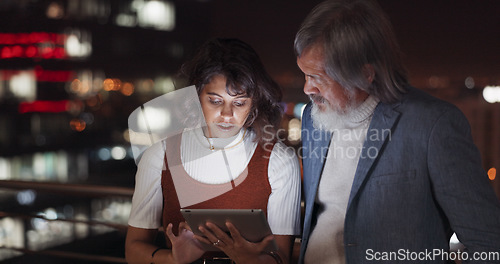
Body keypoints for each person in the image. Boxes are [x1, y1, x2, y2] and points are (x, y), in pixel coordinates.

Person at [295, 0, 500, 263]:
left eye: (319, 78)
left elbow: (488, 242)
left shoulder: (434, 125)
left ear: (365, 73)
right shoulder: (314, 118)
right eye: (304, 74)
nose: (307, 89)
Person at [125, 38, 301, 264]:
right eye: (215, 101)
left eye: (239, 103)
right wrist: (172, 259)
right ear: (197, 96)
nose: (227, 115)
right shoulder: (160, 156)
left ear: (254, 101)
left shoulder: (279, 161)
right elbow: (133, 250)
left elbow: (282, 258)